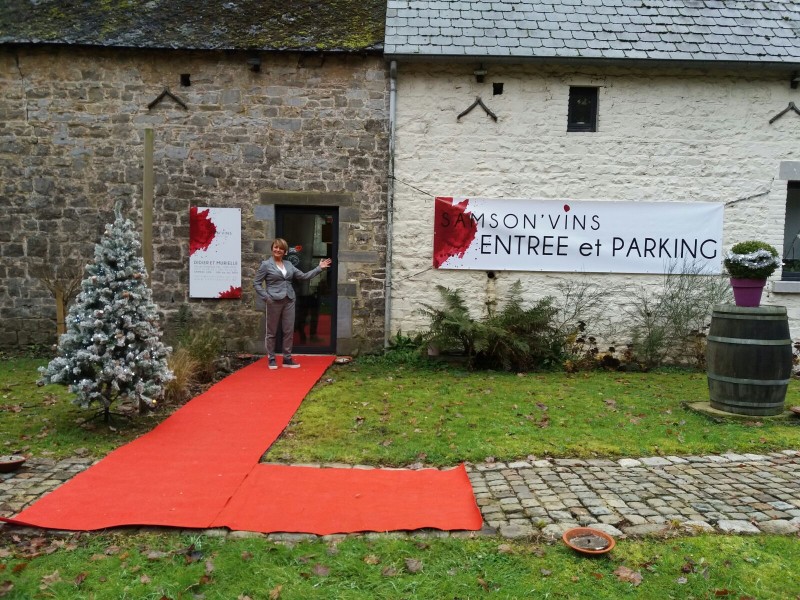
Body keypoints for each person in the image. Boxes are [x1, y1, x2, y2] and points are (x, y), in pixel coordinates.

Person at [253, 238, 332, 369]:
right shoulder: (266, 265)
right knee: (271, 332)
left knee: (288, 331)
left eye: (280, 248)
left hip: (289, 300)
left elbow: (304, 276)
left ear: (285, 251)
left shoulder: (289, 264)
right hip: (273, 300)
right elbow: (256, 283)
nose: (277, 250)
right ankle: (271, 358)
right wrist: (266, 297)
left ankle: (287, 359)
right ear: (272, 249)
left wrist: (319, 268)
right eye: (275, 247)